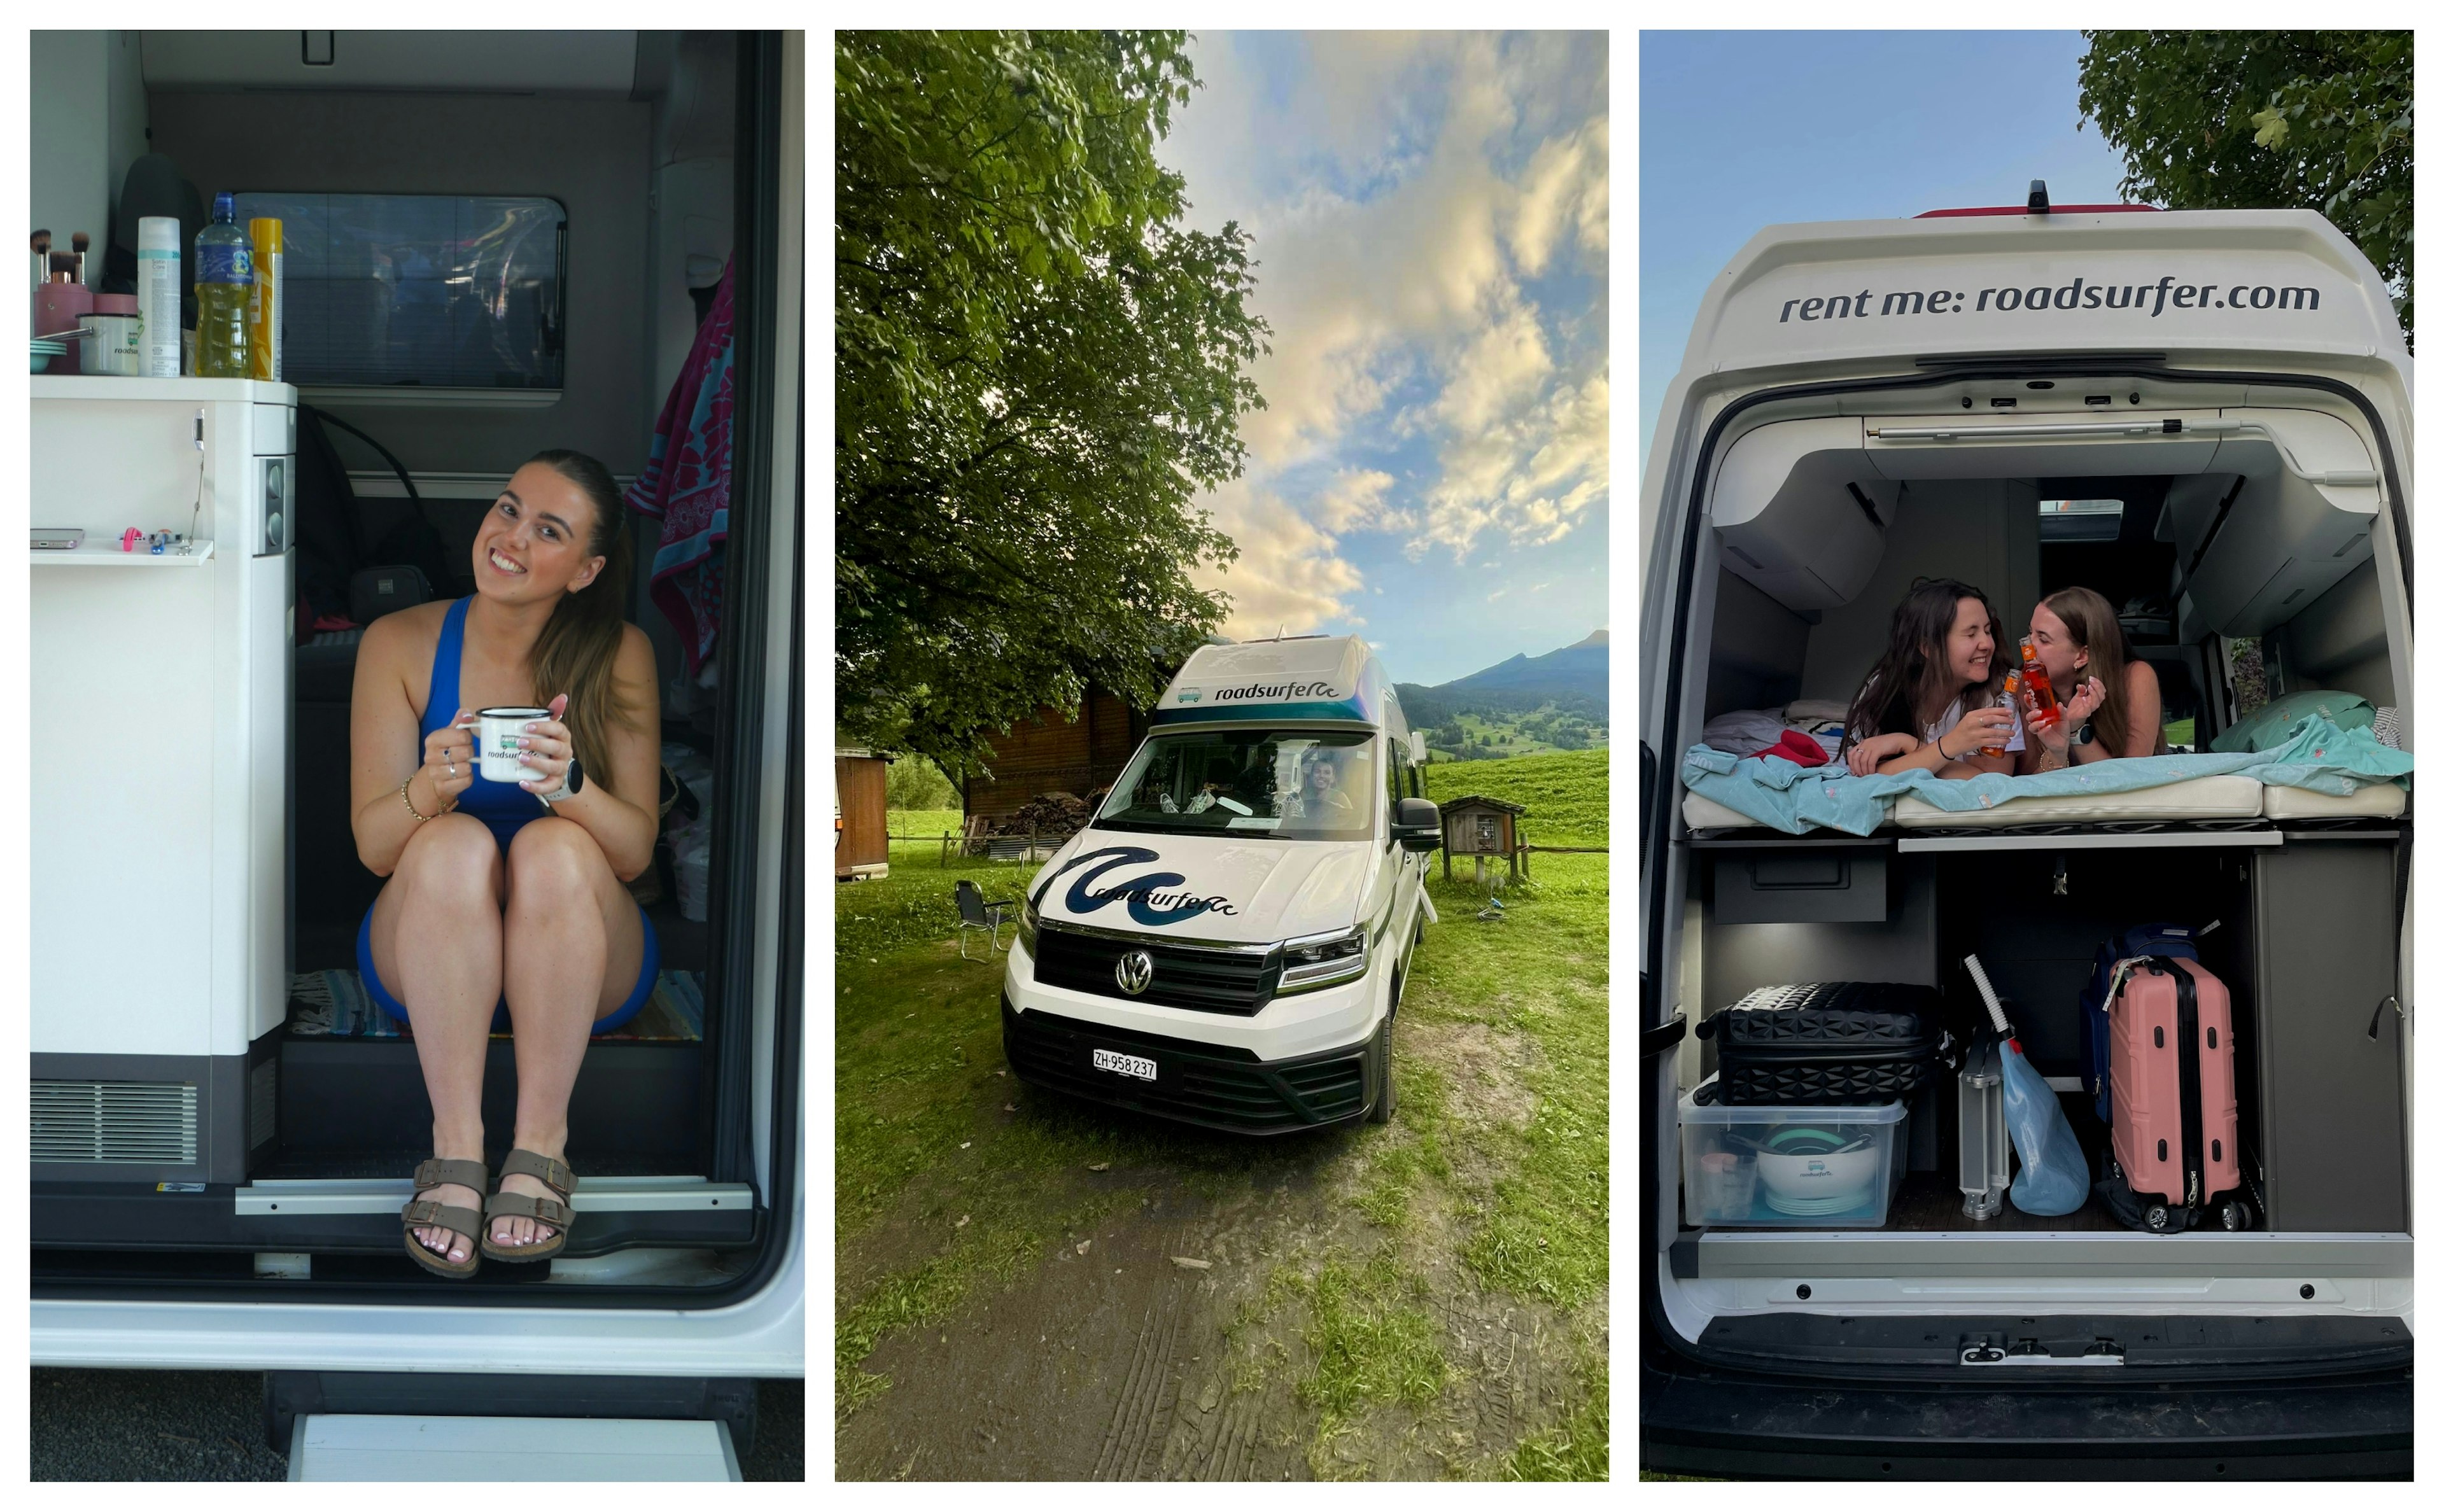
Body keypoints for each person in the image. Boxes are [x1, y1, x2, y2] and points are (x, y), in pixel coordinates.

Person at [351, 450, 663, 1278]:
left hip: (583, 951)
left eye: (548, 530)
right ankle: (455, 1150)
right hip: (427, 945)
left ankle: (540, 1146)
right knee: (452, 845)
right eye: (508, 508)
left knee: (554, 846)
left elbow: (632, 855)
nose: (510, 537)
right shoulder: (399, 644)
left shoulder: (620, 653)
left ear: (588, 569)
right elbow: (374, 848)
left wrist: (568, 787)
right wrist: (427, 788)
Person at [1839, 578, 2025, 778]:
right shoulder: (1884, 690)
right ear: (1928, 648)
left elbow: (1992, 784)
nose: (1987, 644)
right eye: (1971, 634)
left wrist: (1910, 744)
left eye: (1988, 631)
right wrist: (1946, 748)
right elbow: (1868, 773)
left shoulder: (1999, 696)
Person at [2016, 587, 2161, 771]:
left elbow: (2131, 777)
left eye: (2043, 640)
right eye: (2031, 633)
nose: (2028, 646)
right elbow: (2032, 785)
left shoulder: (2136, 676)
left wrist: (2077, 731)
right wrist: (2057, 751)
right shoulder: (2027, 682)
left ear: (2083, 656)